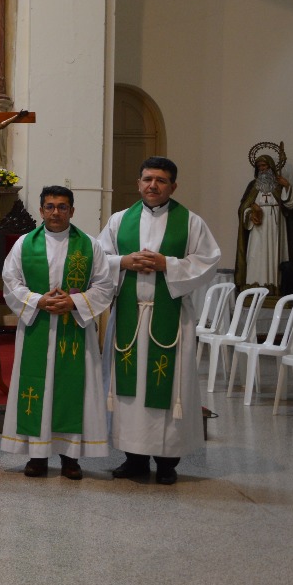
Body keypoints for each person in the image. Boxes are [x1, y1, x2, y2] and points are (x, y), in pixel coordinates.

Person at [98, 157, 220, 485]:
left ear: (173, 186)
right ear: (138, 183)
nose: (153, 185)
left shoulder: (191, 222)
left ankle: (167, 463)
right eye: (148, 179)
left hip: (171, 320)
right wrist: (124, 261)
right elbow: (99, 259)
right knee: (131, 392)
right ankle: (133, 459)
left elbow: (208, 261)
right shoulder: (119, 220)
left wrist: (169, 264)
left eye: (161, 180)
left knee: (170, 388)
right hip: (128, 318)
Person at [0, 186, 114, 480]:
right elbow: (10, 281)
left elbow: (104, 285)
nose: (55, 212)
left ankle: (70, 458)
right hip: (37, 326)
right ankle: (37, 457)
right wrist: (38, 300)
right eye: (49, 207)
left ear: (72, 211)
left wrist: (75, 302)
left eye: (62, 207)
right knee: (38, 389)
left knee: (72, 390)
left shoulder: (89, 245)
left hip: (74, 329)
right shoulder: (25, 244)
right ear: (41, 211)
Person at [235, 145, 293, 299]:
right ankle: (254, 286)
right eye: (259, 166)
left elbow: (290, 205)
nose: (262, 169)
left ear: (271, 167)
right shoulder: (253, 186)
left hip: (275, 227)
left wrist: (287, 186)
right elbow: (243, 208)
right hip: (257, 229)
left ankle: (274, 287)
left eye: (265, 166)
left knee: (274, 256)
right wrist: (251, 212)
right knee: (255, 255)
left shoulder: (279, 185)